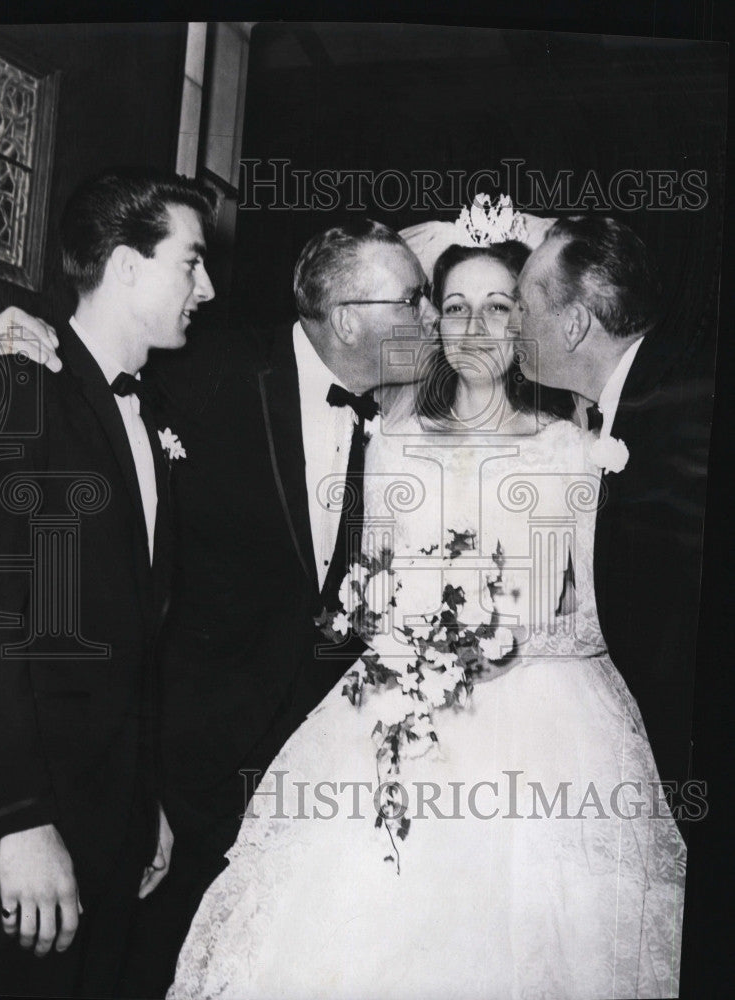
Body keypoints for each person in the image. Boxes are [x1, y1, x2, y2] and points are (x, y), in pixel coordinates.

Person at [168, 236, 687, 999]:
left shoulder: (568, 450)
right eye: (453, 306)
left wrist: (497, 638)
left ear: (523, 325)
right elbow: (370, 587)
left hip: (542, 729)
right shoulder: (392, 442)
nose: (475, 326)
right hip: (400, 711)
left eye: (499, 305)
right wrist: (409, 635)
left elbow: (579, 612)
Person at [0, 218, 440, 996]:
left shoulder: (402, 416)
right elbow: (89, 379)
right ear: (350, 317)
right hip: (169, 785)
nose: (431, 318)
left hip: (301, 795)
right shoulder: (197, 370)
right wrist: (7, 336)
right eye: (415, 299)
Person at [0, 169, 215, 997]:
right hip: (33, 826)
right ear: (128, 265)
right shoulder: (19, 384)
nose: (206, 288)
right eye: (192, 261)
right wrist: (17, 820)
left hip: (120, 819)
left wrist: (149, 801)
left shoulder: (161, 410)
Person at [515, 216, 712, 796]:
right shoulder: (642, 398)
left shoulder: (679, 415)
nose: (511, 327)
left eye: (523, 310)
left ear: (574, 325)